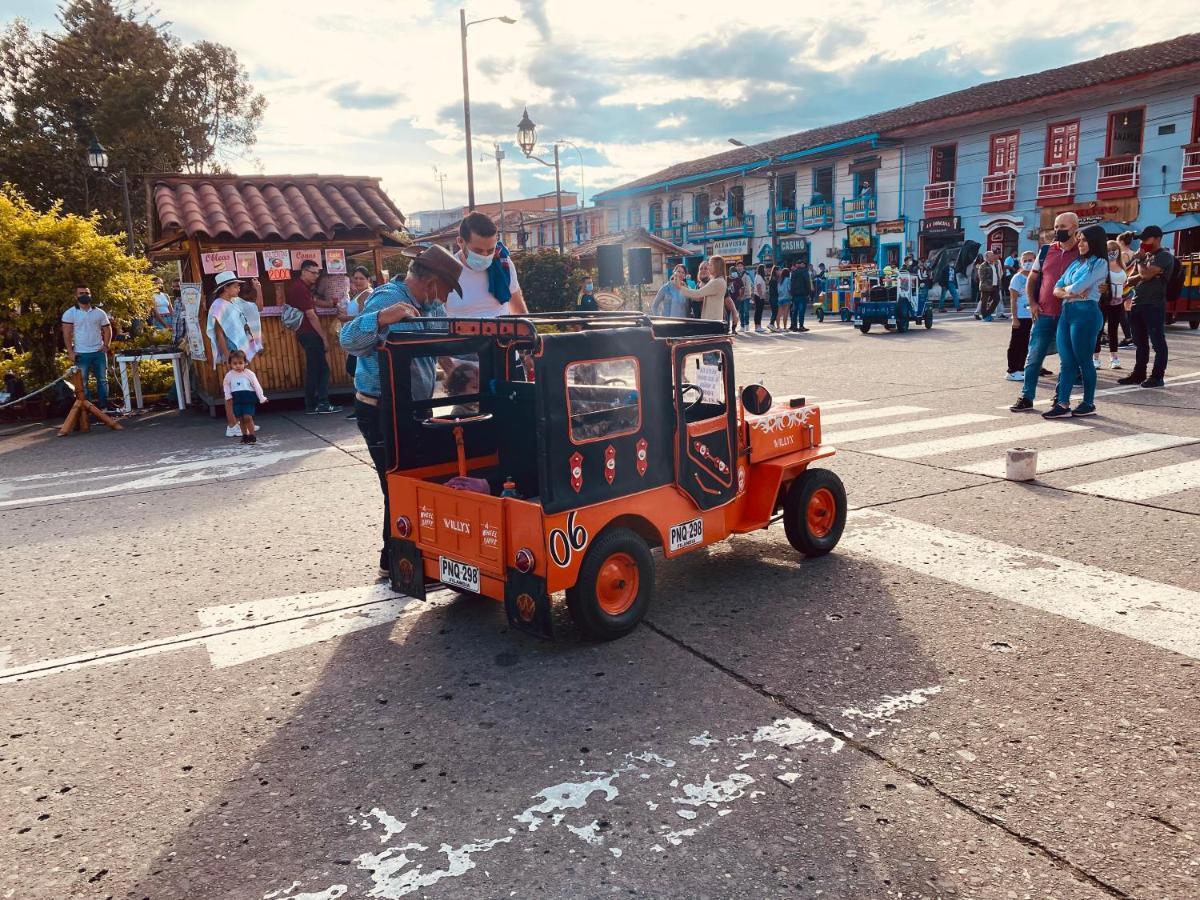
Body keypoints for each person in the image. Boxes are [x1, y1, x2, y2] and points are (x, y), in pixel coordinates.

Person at [339, 244, 464, 577]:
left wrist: (450, 368)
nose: (447, 297)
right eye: (448, 289)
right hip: (381, 409)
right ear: (433, 281)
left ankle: (408, 554)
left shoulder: (430, 306)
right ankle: (394, 560)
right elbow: (348, 339)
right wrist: (383, 318)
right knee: (396, 482)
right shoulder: (387, 298)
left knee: (412, 480)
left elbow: (437, 341)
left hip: (414, 409)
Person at [1010, 212, 1080, 413]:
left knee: (1067, 359)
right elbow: (1033, 278)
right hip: (1044, 313)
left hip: (1069, 314)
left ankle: (1060, 398)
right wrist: (1032, 302)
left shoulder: (1082, 252)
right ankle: (1026, 396)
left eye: (1063, 227)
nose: (1058, 231)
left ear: (1074, 228)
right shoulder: (1046, 250)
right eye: (1056, 227)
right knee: (1034, 356)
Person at [1042, 224, 1109, 418]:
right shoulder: (1076, 263)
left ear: (1094, 241)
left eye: (1084, 240)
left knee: (1084, 360)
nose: (1080, 243)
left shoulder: (1099, 263)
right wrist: (1070, 293)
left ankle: (1088, 403)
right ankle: (1062, 404)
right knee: (1066, 361)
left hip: (1086, 313)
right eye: (1079, 240)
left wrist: (1070, 291)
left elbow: (1078, 287)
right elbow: (1057, 288)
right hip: (1068, 312)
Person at [208, 270, 265, 434]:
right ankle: (232, 425)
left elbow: (258, 308)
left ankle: (247, 424)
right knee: (232, 391)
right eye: (235, 286)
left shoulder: (236, 302)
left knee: (243, 388)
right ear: (225, 288)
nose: (238, 289)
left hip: (240, 352)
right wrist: (227, 357)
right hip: (232, 353)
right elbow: (219, 334)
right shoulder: (218, 305)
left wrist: (258, 289)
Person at [1118, 225, 1172, 388]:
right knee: (1140, 342)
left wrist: (1141, 263)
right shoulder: (1145, 256)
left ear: (1157, 239)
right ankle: (1139, 373)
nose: (1142, 242)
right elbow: (1133, 278)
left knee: (1157, 341)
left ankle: (1157, 376)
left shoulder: (1164, 256)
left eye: (1146, 239)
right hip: (1138, 303)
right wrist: (1141, 272)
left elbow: (1146, 274)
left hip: (1153, 304)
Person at [446, 212, 529, 318]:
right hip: (461, 333)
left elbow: (519, 311)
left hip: (502, 333)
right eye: (478, 251)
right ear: (460, 242)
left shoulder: (503, 264)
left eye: (490, 250)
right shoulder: (446, 270)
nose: (485, 256)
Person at [288, 260, 341, 415]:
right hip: (309, 332)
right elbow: (311, 315)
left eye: (318, 273)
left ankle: (311, 404)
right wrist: (323, 337)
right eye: (313, 272)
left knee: (314, 369)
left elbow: (315, 304)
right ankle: (322, 403)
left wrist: (333, 304)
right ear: (303, 271)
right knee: (322, 369)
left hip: (306, 333)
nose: (316, 276)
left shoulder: (303, 288)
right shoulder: (299, 288)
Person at [61, 284, 116, 412]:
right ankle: (89, 409)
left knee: (102, 380)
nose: (84, 295)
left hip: (98, 352)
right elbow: (67, 333)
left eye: (87, 293)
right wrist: (70, 352)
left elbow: (108, 329)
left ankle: (103, 407)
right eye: (81, 293)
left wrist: (106, 345)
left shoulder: (99, 312)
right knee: (83, 383)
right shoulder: (70, 313)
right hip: (81, 353)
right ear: (76, 296)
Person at [1093, 240, 1128, 370]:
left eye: (1114, 250)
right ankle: (1095, 357)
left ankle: (1114, 357)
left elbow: (1125, 283)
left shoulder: (1122, 266)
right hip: (1103, 302)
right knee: (1099, 329)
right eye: (1109, 250)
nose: (1112, 253)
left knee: (1114, 330)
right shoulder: (1102, 266)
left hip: (1118, 303)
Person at [222, 349, 267, 444]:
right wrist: (228, 396)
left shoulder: (249, 374)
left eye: (240, 363)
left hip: (248, 398)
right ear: (230, 364)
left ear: (245, 363)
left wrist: (261, 397)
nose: (238, 365)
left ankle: (252, 435)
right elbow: (226, 386)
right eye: (234, 363)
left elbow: (256, 385)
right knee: (241, 418)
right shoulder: (229, 376)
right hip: (237, 400)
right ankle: (245, 436)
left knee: (248, 417)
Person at [1005, 250, 1036, 381]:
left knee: (1026, 344)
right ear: (1021, 262)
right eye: (1025, 261)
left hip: (1032, 316)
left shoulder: (1035, 277)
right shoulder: (1017, 278)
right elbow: (1013, 300)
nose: (1028, 263)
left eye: (1031, 260)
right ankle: (1012, 370)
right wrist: (1015, 318)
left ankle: (1021, 368)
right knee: (1016, 344)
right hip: (1021, 316)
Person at [679, 256, 728, 321]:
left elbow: (697, 294)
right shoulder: (714, 281)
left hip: (712, 321)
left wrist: (679, 287)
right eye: (701, 268)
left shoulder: (717, 282)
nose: (708, 267)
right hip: (709, 321)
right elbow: (698, 297)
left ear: (717, 266)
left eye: (710, 265)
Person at [1115, 231, 1137, 347]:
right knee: (1127, 312)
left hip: (1122, 286)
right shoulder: (1133, 253)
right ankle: (1131, 336)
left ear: (1122, 242)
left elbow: (1119, 269)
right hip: (1130, 286)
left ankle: (1128, 337)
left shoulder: (1123, 254)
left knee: (1121, 313)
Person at [975, 251, 1002, 321]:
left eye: (993, 255)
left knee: (997, 299)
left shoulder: (995, 264)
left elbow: (997, 275)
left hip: (995, 286)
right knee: (984, 302)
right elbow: (981, 277)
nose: (993, 256)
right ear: (987, 257)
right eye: (991, 255)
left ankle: (988, 313)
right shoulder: (983, 266)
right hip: (986, 287)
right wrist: (988, 283)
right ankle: (984, 316)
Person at [789, 261, 813, 332]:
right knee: (801, 311)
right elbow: (807, 283)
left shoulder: (794, 273)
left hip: (795, 295)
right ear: (803, 265)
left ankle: (794, 326)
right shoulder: (805, 272)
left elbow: (792, 284)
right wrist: (808, 293)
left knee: (795, 311)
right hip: (803, 295)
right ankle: (801, 326)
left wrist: (792, 293)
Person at [752, 265, 767, 333]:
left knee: (760, 311)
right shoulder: (759, 277)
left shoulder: (760, 277)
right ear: (762, 269)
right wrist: (761, 296)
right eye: (765, 268)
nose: (766, 269)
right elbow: (758, 287)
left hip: (760, 296)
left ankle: (759, 326)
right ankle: (757, 327)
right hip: (758, 296)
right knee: (758, 311)